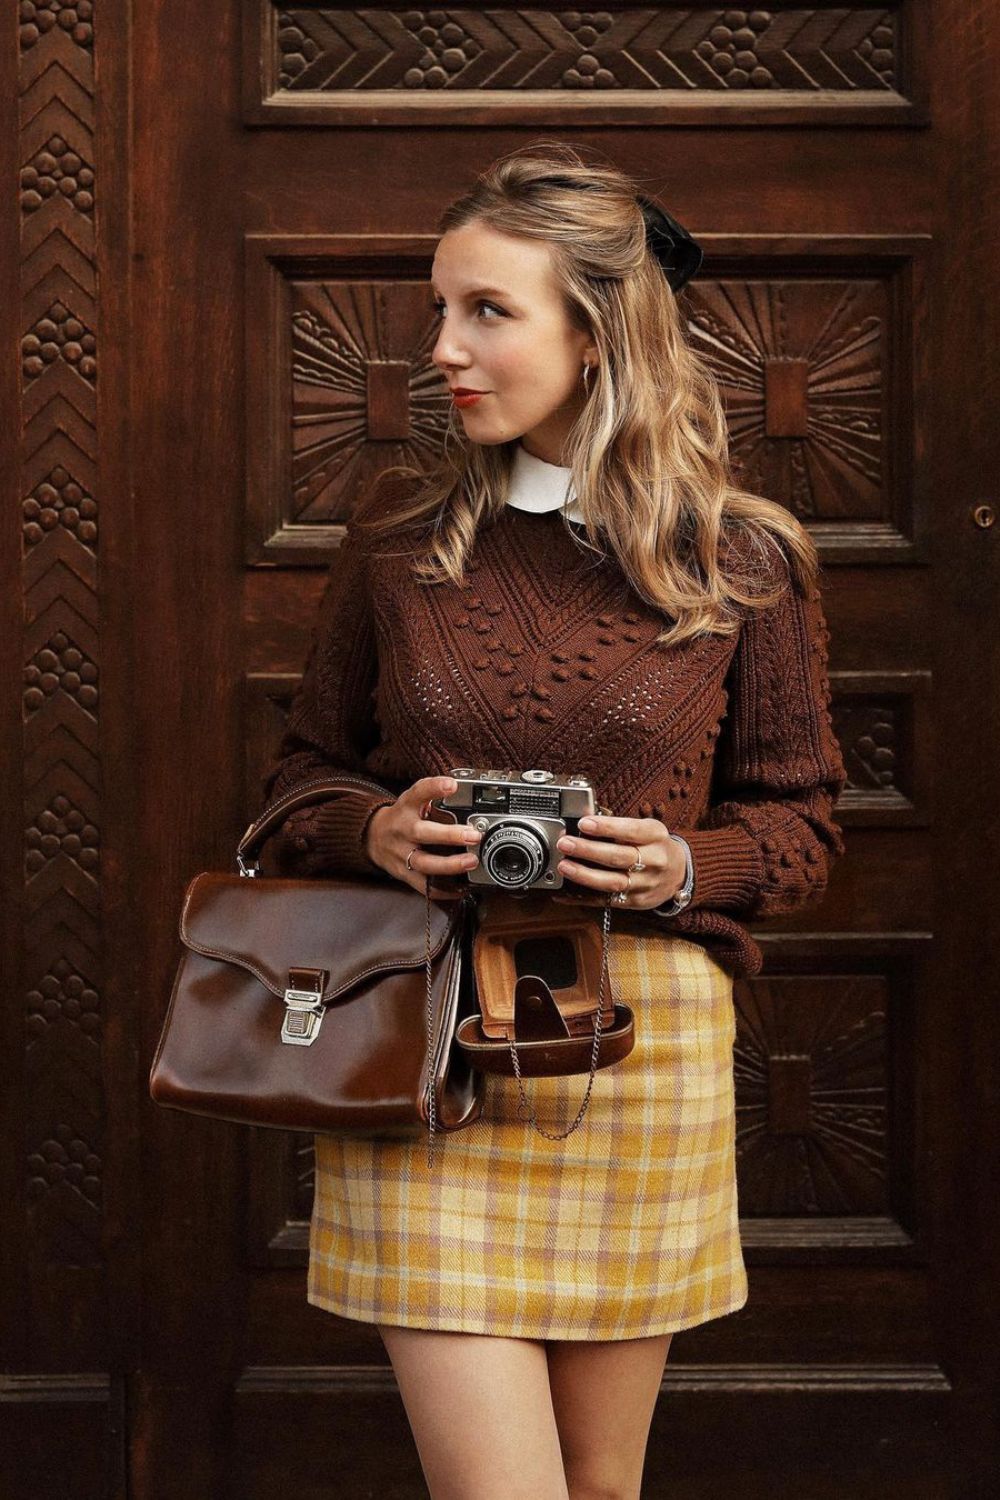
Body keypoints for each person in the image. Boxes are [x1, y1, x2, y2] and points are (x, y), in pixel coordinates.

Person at [258, 143, 847, 1500]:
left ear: (598, 334)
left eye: (486, 311)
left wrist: (687, 860)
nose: (441, 351)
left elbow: (804, 821)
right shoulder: (399, 537)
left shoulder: (740, 558)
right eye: (437, 311)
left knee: (598, 1486)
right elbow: (300, 778)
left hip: (640, 1052)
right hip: (422, 1059)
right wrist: (375, 833)